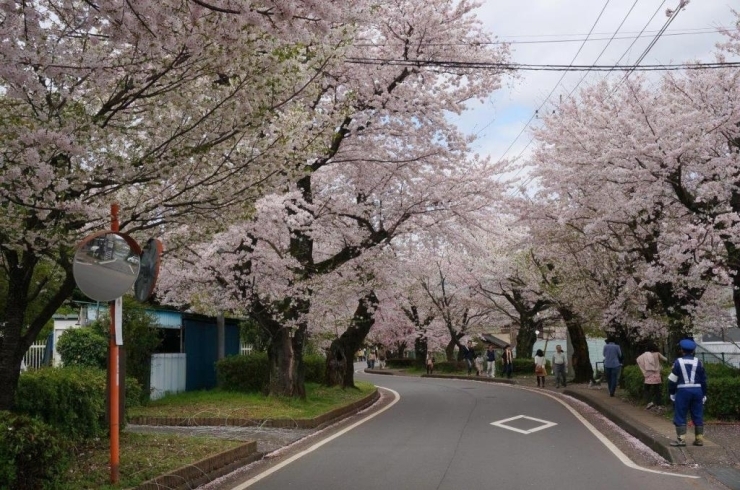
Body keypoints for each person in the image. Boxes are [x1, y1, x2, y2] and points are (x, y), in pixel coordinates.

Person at [668, 338, 707, 447]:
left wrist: (671, 392)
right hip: (697, 390)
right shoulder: (699, 362)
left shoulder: (677, 362)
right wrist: (704, 393)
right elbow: (704, 380)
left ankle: (681, 440)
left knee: (680, 414)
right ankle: (699, 439)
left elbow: (672, 380)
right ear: (693, 351)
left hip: (683, 390)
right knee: (697, 414)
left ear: (681, 350)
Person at [636, 343, 667, 409]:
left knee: (647, 389)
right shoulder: (657, 354)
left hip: (648, 375)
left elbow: (639, 360)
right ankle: (659, 405)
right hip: (657, 375)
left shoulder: (645, 355)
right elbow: (665, 359)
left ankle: (650, 402)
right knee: (657, 390)